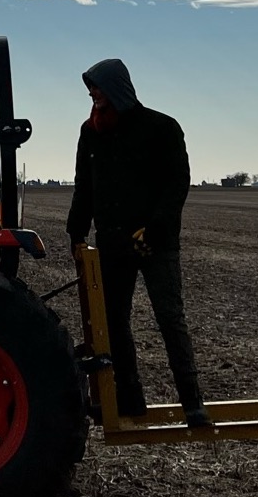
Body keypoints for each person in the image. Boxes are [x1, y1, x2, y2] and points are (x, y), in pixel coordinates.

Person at [64, 59, 210, 427]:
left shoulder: (161, 128)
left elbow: (176, 184)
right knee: (113, 322)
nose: (93, 95)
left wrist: (155, 229)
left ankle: (193, 403)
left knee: (169, 319)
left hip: (155, 244)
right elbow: (85, 186)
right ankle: (130, 399)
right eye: (90, 89)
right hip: (112, 243)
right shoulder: (90, 131)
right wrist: (76, 232)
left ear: (116, 88)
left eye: (97, 88)